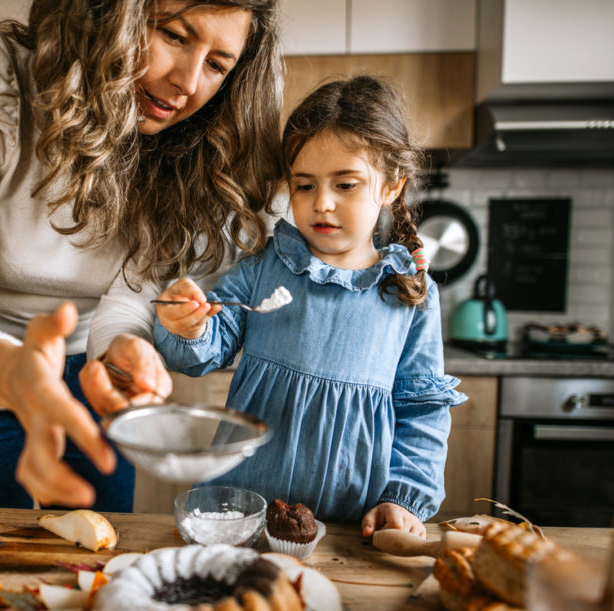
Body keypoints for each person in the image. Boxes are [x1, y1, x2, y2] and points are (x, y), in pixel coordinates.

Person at [0, 0, 284, 510]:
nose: (187, 83)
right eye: (173, 35)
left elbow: (128, 295)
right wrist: (16, 374)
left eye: (216, 65)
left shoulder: (196, 148)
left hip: (92, 377)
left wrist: (122, 347)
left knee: (95, 559)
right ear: (110, 14)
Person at [154, 76, 467, 538]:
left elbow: (422, 413)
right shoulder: (264, 268)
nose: (322, 203)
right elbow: (200, 353)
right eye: (303, 186)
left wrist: (403, 497)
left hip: (352, 527)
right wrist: (187, 325)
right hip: (240, 516)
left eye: (345, 184)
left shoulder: (409, 294)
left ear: (391, 186)